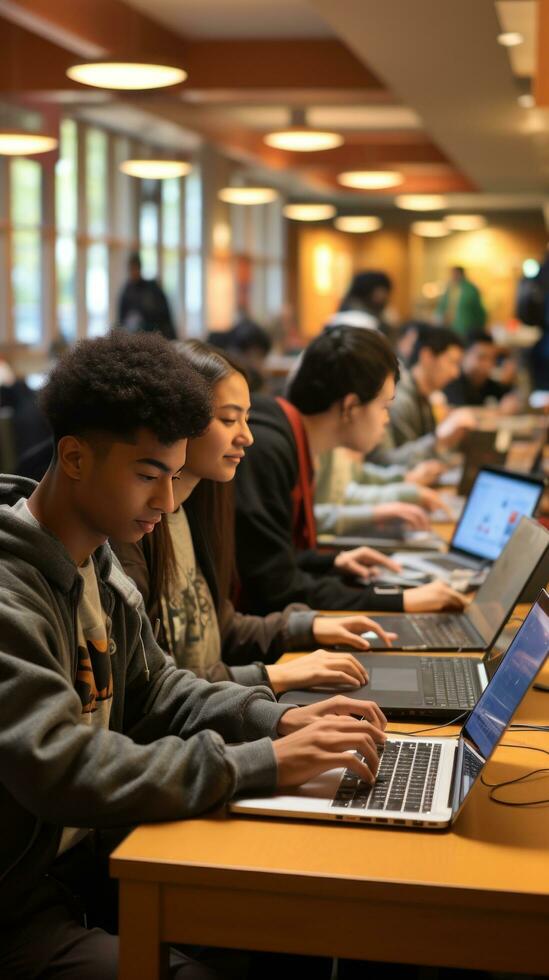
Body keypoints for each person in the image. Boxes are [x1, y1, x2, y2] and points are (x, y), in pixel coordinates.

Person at [0, 330, 388, 979]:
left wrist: (279, 721)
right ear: (72, 457)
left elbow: (159, 690)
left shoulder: (97, 563)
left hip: (89, 867)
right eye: (148, 475)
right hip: (20, 907)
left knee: (300, 925)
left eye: (174, 476)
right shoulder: (14, 595)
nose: (164, 501)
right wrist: (257, 763)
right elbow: (62, 765)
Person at [113, 341, 395, 694]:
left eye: (246, 418)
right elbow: (157, 690)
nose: (247, 436)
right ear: (179, 421)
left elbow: (218, 625)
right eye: (230, 419)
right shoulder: (131, 530)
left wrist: (309, 627)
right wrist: (277, 676)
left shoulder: (192, 510)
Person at [234, 327, 465, 617]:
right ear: (351, 407)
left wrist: (332, 562)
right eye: (384, 406)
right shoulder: (267, 449)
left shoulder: (288, 437)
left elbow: (277, 557)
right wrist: (398, 600)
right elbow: (276, 587)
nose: (386, 420)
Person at [373, 323, 475, 468]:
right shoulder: (399, 399)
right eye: (452, 362)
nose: (455, 373)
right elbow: (390, 463)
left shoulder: (428, 397)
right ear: (427, 356)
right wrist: (439, 438)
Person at [444, 329, 518, 409]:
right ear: (463, 355)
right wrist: (499, 411)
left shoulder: (487, 384)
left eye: (492, 359)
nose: (488, 365)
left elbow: (508, 400)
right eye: (482, 358)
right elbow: (459, 412)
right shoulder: (451, 381)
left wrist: (508, 383)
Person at [117, 252, 176, 340]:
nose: (133, 272)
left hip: (153, 336)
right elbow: (121, 319)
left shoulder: (152, 289)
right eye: (131, 269)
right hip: (133, 337)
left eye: (135, 268)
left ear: (140, 268)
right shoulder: (126, 291)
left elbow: (164, 317)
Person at [437, 265, 486, 338]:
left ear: (460, 274)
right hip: (449, 325)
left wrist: (479, 325)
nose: (452, 276)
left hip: (465, 325)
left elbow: (478, 309)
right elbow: (442, 305)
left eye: (454, 274)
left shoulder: (470, 289)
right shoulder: (450, 288)